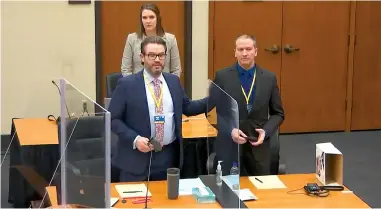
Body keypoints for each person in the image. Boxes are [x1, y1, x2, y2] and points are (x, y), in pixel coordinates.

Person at [109, 36, 207, 182]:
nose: (157, 59)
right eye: (152, 55)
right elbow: (113, 119)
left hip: (167, 158)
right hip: (135, 161)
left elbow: (187, 107)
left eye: (161, 55)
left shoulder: (173, 81)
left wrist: (214, 99)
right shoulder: (126, 84)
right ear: (142, 57)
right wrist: (135, 139)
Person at [211, 34, 285, 176]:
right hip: (231, 142)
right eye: (240, 49)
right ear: (235, 52)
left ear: (255, 51)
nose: (244, 53)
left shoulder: (269, 78)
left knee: (262, 191)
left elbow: (278, 113)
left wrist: (267, 131)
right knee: (228, 189)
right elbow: (212, 111)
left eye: (248, 49)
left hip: (259, 143)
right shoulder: (222, 76)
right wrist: (230, 130)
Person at [120, 3, 181, 77]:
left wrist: (168, 86)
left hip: (163, 85)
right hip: (138, 85)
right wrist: (134, 85)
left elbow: (176, 70)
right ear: (141, 20)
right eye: (144, 18)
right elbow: (125, 69)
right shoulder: (131, 39)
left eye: (151, 17)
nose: (148, 21)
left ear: (157, 18)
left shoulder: (171, 39)